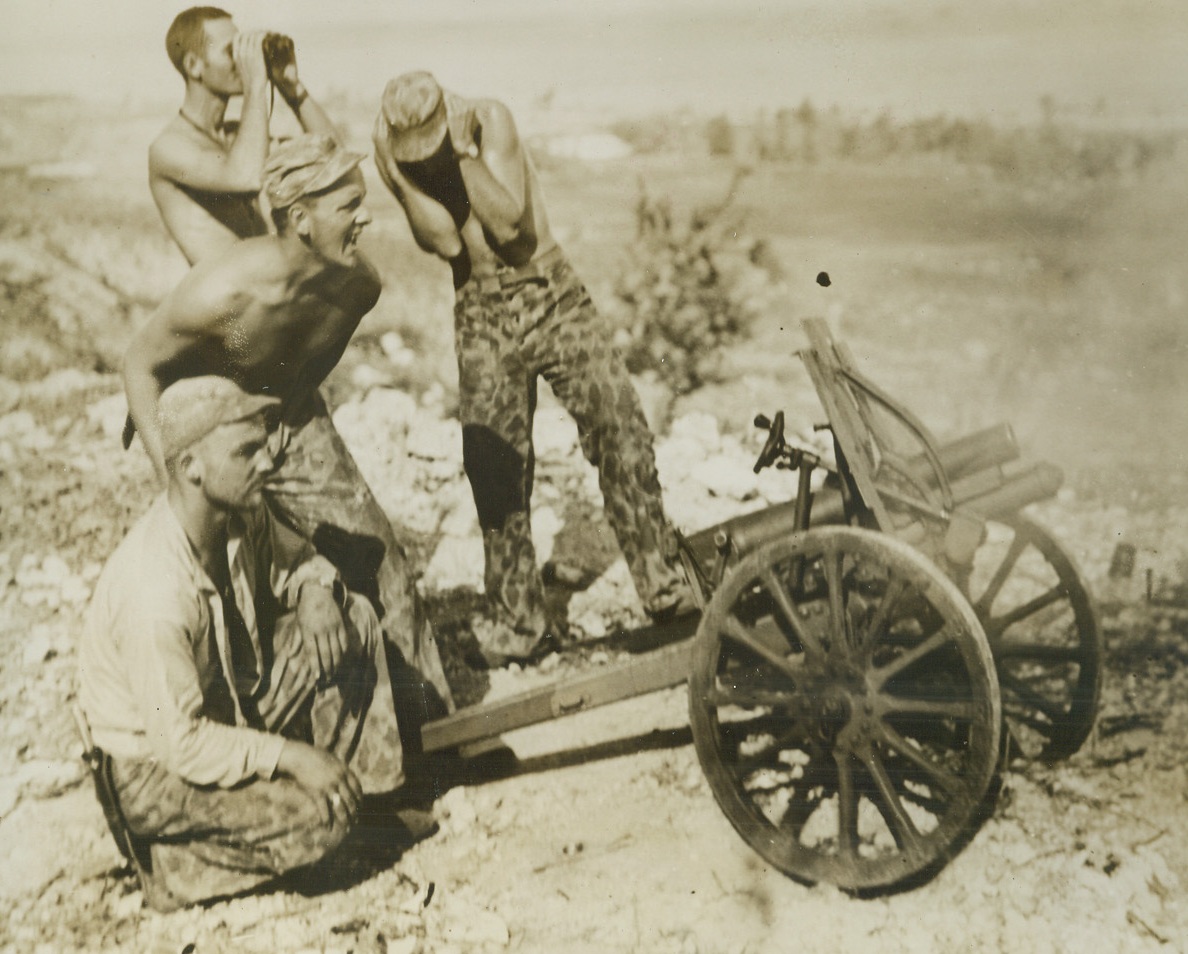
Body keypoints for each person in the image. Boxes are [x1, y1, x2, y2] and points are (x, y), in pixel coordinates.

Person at [124, 133, 455, 723]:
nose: (365, 218)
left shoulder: (358, 286)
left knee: (377, 559)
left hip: (291, 414)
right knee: (223, 588)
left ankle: (432, 728)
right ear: (300, 219)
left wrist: (285, 421)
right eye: (348, 206)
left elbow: (309, 369)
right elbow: (140, 364)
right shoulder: (224, 289)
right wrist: (171, 472)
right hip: (211, 428)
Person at [372, 71, 694, 667]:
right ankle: (519, 621)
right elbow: (446, 243)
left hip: (548, 293)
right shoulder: (400, 152)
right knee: (495, 470)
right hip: (478, 310)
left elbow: (509, 225)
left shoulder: (488, 120)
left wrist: (463, 154)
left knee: (618, 429)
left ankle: (664, 585)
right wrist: (396, 176)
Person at [78, 376, 410, 911]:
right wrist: (291, 756)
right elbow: (180, 743)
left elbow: (298, 562)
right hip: (153, 771)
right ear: (191, 468)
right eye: (246, 451)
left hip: (225, 701)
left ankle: (368, 801)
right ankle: (176, 871)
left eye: (263, 444)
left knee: (356, 620)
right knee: (318, 820)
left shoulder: (241, 511)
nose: (268, 461)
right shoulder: (154, 592)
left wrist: (314, 591)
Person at [149, 6, 340, 265]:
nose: (243, 62)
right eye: (232, 51)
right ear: (194, 66)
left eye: (244, 50)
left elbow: (335, 158)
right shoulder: (169, 147)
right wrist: (256, 84)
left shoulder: (239, 137)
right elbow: (245, 177)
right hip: (225, 302)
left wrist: (292, 87)